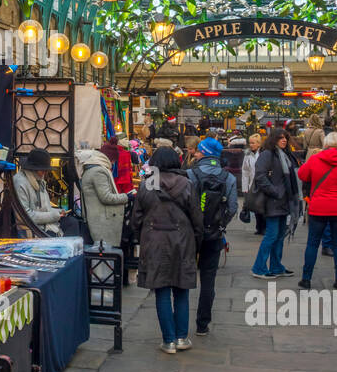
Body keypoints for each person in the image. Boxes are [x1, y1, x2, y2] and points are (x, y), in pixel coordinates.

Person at [131, 146, 203, 355]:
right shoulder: (187, 184)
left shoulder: (147, 184)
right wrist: (198, 241)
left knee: (161, 291)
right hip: (182, 240)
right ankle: (181, 337)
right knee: (181, 290)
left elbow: (136, 219)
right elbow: (197, 218)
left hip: (154, 241)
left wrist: (142, 238)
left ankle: (168, 341)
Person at [298, 132, 337, 289]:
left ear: (326, 144)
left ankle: (306, 279)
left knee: (312, 243)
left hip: (318, 207)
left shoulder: (315, 159)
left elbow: (302, 174)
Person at [187, 136, 237, 335]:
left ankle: (179, 322)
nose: (196, 154)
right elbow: (232, 207)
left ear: (205, 153)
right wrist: (221, 224)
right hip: (214, 234)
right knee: (209, 279)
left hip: (191, 234)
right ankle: (202, 324)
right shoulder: (229, 178)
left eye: (199, 151)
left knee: (183, 276)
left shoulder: (190, 174)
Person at [251, 127, 301, 279]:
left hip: (285, 201)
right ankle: (258, 268)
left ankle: (276, 266)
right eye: (280, 138)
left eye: (285, 137)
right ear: (274, 139)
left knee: (279, 235)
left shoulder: (286, 155)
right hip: (273, 201)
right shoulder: (267, 154)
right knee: (271, 235)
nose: (284, 140)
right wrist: (275, 191)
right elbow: (260, 176)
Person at [77, 146, 130, 249]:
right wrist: (127, 197)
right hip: (101, 222)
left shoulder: (92, 169)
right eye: (114, 161)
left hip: (97, 218)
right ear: (109, 159)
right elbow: (106, 197)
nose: (113, 164)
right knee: (105, 254)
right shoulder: (98, 171)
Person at [12, 148, 63, 235]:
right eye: (43, 170)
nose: (45, 173)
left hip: (43, 224)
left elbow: (44, 207)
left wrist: (57, 212)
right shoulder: (20, 182)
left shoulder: (39, 180)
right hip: (31, 228)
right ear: (33, 169)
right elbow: (23, 216)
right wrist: (53, 216)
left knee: (72, 222)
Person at [241, 132, 265, 237]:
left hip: (262, 184)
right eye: (250, 143)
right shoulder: (247, 155)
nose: (251, 145)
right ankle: (259, 227)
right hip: (252, 183)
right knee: (255, 206)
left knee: (262, 206)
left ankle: (264, 227)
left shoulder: (264, 154)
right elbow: (245, 171)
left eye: (253, 143)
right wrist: (245, 187)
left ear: (259, 144)